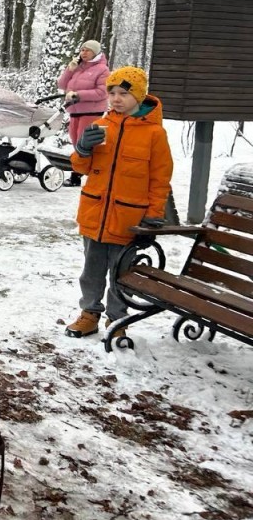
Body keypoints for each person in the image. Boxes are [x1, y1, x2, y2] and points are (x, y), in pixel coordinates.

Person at [65, 66, 173, 339]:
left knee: (122, 273)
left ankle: (117, 320)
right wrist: (82, 149)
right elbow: (82, 168)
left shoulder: (154, 135)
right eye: (112, 93)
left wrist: (154, 214)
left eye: (123, 93)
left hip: (129, 220)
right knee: (91, 272)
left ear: (138, 95)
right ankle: (89, 313)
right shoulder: (100, 126)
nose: (115, 99)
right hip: (95, 214)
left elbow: (160, 179)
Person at [57, 40, 110, 187]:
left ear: (96, 53)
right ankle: (81, 169)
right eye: (82, 50)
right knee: (75, 141)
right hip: (74, 110)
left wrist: (78, 95)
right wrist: (70, 69)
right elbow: (62, 85)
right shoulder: (78, 68)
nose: (83, 53)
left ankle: (78, 175)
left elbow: (101, 92)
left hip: (92, 111)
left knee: (84, 142)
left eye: (87, 50)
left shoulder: (102, 70)